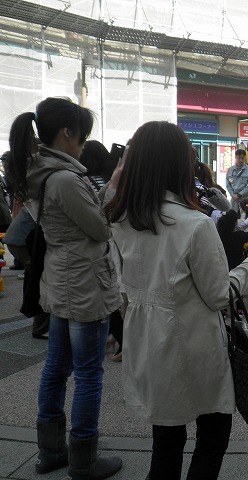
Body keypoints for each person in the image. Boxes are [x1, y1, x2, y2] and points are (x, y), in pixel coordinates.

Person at [104, 121, 248, 480]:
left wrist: (120, 175)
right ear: (182, 165)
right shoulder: (195, 224)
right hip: (194, 347)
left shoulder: (121, 220)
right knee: (213, 433)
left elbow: (120, 288)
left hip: (147, 344)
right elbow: (218, 296)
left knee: (166, 440)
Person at [7, 96, 122, 478]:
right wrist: (114, 190)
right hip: (86, 282)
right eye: (80, 136)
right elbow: (100, 228)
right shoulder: (64, 179)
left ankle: (51, 451)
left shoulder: (38, 173)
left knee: (56, 369)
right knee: (89, 373)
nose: (82, 144)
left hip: (61, 279)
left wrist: (108, 187)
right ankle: (83, 459)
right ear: (67, 132)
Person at [78, 140, 125, 363]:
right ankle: (116, 336)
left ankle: (121, 339)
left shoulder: (83, 180)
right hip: (113, 241)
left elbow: (101, 214)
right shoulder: (107, 177)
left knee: (112, 291)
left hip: (106, 242)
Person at [225, 148, 248, 213]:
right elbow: (228, 184)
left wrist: (240, 195)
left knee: (244, 217)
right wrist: (233, 195)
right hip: (234, 198)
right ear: (235, 157)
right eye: (239, 158)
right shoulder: (230, 170)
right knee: (232, 216)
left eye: (243, 158)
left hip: (245, 198)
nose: (241, 160)